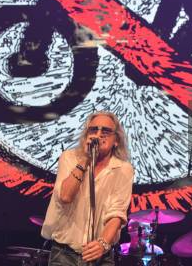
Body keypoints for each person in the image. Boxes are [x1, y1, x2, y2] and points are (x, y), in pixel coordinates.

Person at [41, 111, 134, 265]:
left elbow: (117, 213)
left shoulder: (123, 169)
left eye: (105, 131)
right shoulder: (69, 158)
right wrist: (85, 159)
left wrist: (103, 244)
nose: (98, 135)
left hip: (100, 255)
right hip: (64, 253)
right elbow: (65, 196)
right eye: (93, 130)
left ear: (116, 140)